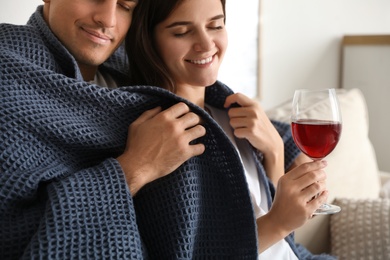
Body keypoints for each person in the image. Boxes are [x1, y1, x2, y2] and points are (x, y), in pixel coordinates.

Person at [125, 0, 336, 259]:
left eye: (216, 25)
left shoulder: (231, 114)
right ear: (147, 39)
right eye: (182, 31)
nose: (206, 44)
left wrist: (275, 151)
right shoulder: (160, 138)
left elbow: (283, 244)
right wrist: (279, 221)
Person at [0, 0, 207, 259]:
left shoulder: (139, 72)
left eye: (125, 6)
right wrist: (136, 167)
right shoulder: (7, 71)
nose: (108, 20)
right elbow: (12, 236)